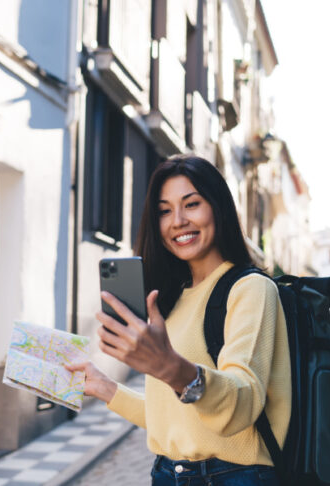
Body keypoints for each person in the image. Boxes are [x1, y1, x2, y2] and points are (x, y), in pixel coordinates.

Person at [66, 155, 290, 486]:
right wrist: (105, 387)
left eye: (192, 204)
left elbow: (242, 406)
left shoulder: (251, 289)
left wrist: (172, 368)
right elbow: (178, 417)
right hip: (169, 473)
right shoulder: (172, 299)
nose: (178, 221)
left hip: (236, 476)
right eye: (164, 210)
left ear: (218, 207)